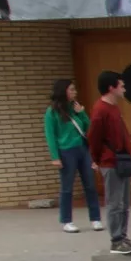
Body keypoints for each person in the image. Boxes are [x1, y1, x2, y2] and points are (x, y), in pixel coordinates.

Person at [86, 70, 131, 255]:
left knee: (124, 202)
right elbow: (93, 137)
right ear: (111, 87)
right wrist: (96, 159)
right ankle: (116, 240)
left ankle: (123, 236)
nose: (124, 89)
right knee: (115, 202)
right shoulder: (100, 110)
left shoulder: (114, 108)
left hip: (121, 159)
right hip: (110, 161)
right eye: (121, 85)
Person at [44, 78, 102, 233]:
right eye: (71, 89)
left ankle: (95, 219)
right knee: (67, 187)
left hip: (82, 149)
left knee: (90, 185)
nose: (74, 92)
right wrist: (55, 157)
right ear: (63, 91)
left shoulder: (75, 108)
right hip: (66, 151)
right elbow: (51, 135)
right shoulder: (52, 112)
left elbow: (89, 129)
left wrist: (81, 113)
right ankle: (66, 220)